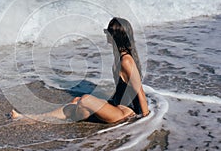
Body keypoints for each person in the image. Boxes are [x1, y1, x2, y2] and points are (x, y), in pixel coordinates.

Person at [8, 17, 150, 123]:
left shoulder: (126, 61)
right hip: (116, 106)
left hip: (124, 112)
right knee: (77, 100)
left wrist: (147, 121)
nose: (106, 35)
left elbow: (141, 94)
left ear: (115, 37)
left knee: (85, 100)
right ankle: (29, 118)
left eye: (108, 33)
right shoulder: (119, 57)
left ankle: (71, 118)